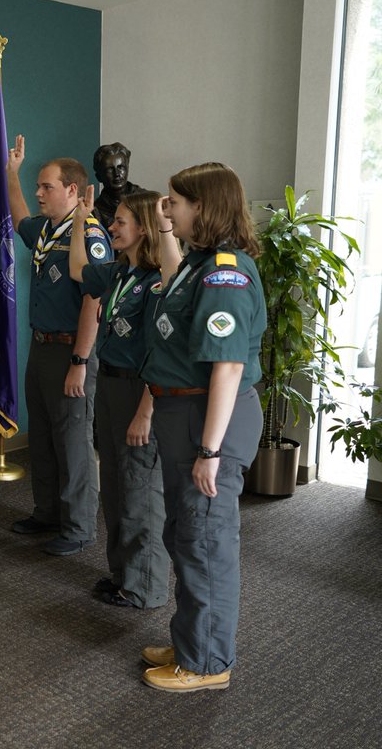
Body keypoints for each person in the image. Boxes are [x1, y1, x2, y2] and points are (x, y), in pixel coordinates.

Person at [139, 162, 265, 693]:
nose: (167, 209)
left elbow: (228, 366)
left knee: (205, 541)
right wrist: (165, 227)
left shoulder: (225, 274)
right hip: (185, 415)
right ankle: (193, 639)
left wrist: (210, 450)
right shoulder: (199, 264)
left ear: (203, 207)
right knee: (185, 534)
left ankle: (207, 663)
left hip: (209, 420)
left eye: (175, 201)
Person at [69, 188, 180, 608]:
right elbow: (78, 269)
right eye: (111, 220)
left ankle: (145, 587)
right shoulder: (119, 272)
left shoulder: (157, 283)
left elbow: (162, 354)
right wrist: (80, 220)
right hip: (111, 385)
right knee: (115, 486)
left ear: (144, 229)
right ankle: (122, 574)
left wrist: (146, 412)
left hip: (140, 390)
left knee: (140, 487)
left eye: (119, 221)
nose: (111, 227)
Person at [6, 135, 111, 555]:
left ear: (72, 190)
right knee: (44, 437)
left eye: (45, 187)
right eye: (37, 186)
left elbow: (93, 300)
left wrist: (80, 361)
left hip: (72, 350)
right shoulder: (47, 229)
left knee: (73, 442)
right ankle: (47, 512)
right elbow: (19, 219)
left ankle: (80, 526)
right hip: (41, 347)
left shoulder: (90, 234)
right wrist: (11, 173)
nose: (38, 193)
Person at [92, 142, 145, 231]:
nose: (117, 174)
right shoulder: (95, 211)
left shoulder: (146, 200)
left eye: (121, 167)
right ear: (99, 177)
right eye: (109, 169)